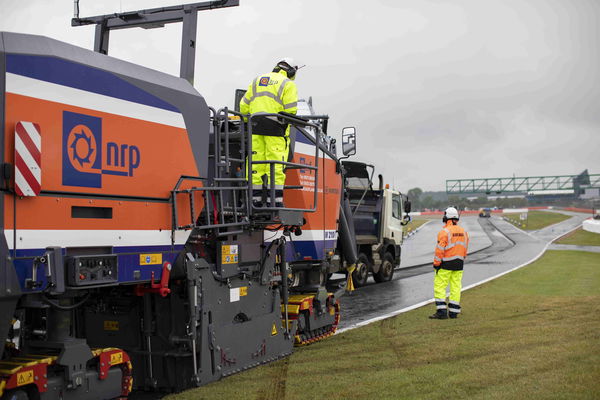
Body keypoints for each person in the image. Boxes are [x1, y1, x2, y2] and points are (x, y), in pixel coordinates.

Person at [239, 58, 301, 207]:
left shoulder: (257, 80)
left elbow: (243, 107)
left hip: (255, 127)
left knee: (255, 163)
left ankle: (255, 200)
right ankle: (275, 201)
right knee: (275, 164)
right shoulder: (288, 84)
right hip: (276, 129)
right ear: (291, 70)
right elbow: (290, 111)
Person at [430, 207, 469, 319]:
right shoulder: (464, 232)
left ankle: (441, 312)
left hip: (445, 264)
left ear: (448, 218)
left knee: (440, 286)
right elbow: (465, 247)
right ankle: (453, 312)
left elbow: (439, 250)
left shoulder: (444, 232)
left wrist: (437, 263)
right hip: (459, 263)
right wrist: (461, 258)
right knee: (456, 287)